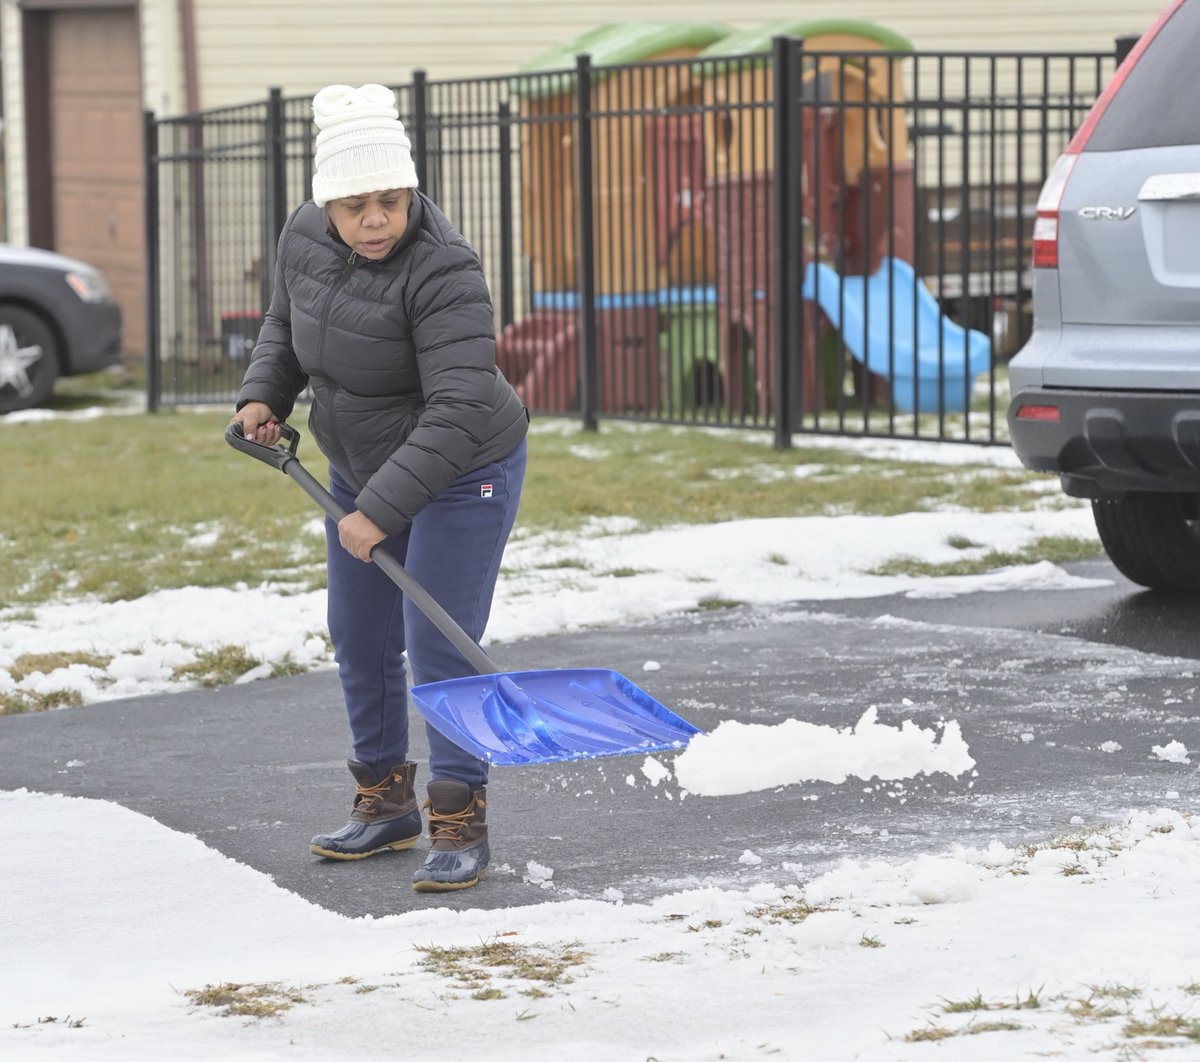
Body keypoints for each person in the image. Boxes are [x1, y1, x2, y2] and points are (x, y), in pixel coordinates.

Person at [229, 83, 528, 893]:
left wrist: (378, 511)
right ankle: (384, 801)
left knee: (437, 641)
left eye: (391, 201)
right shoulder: (303, 236)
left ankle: (460, 814)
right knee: (359, 633)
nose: (375, 221)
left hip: (465, 471)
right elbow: (287, 323)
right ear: (325, 204)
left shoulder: (445, 270)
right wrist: (266, 393)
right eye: (356, 205)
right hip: (362, 469)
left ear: (411, 193)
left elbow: (461, 405)